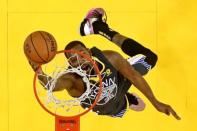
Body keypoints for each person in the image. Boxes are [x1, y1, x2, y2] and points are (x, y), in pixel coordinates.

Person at [29, 8, 181, 120]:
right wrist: (39, 71)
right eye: (74, 60)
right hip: (108, 109)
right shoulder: (73, 80)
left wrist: (156, 102)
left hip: (119, 81)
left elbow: (134, 76)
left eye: (82, 54)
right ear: (71, 65)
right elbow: (52, 85)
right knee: (121, 109)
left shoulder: (110, 58)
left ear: (89, 51)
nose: (80, 60)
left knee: (150, 58)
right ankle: (127, 99)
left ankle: (99, 28)